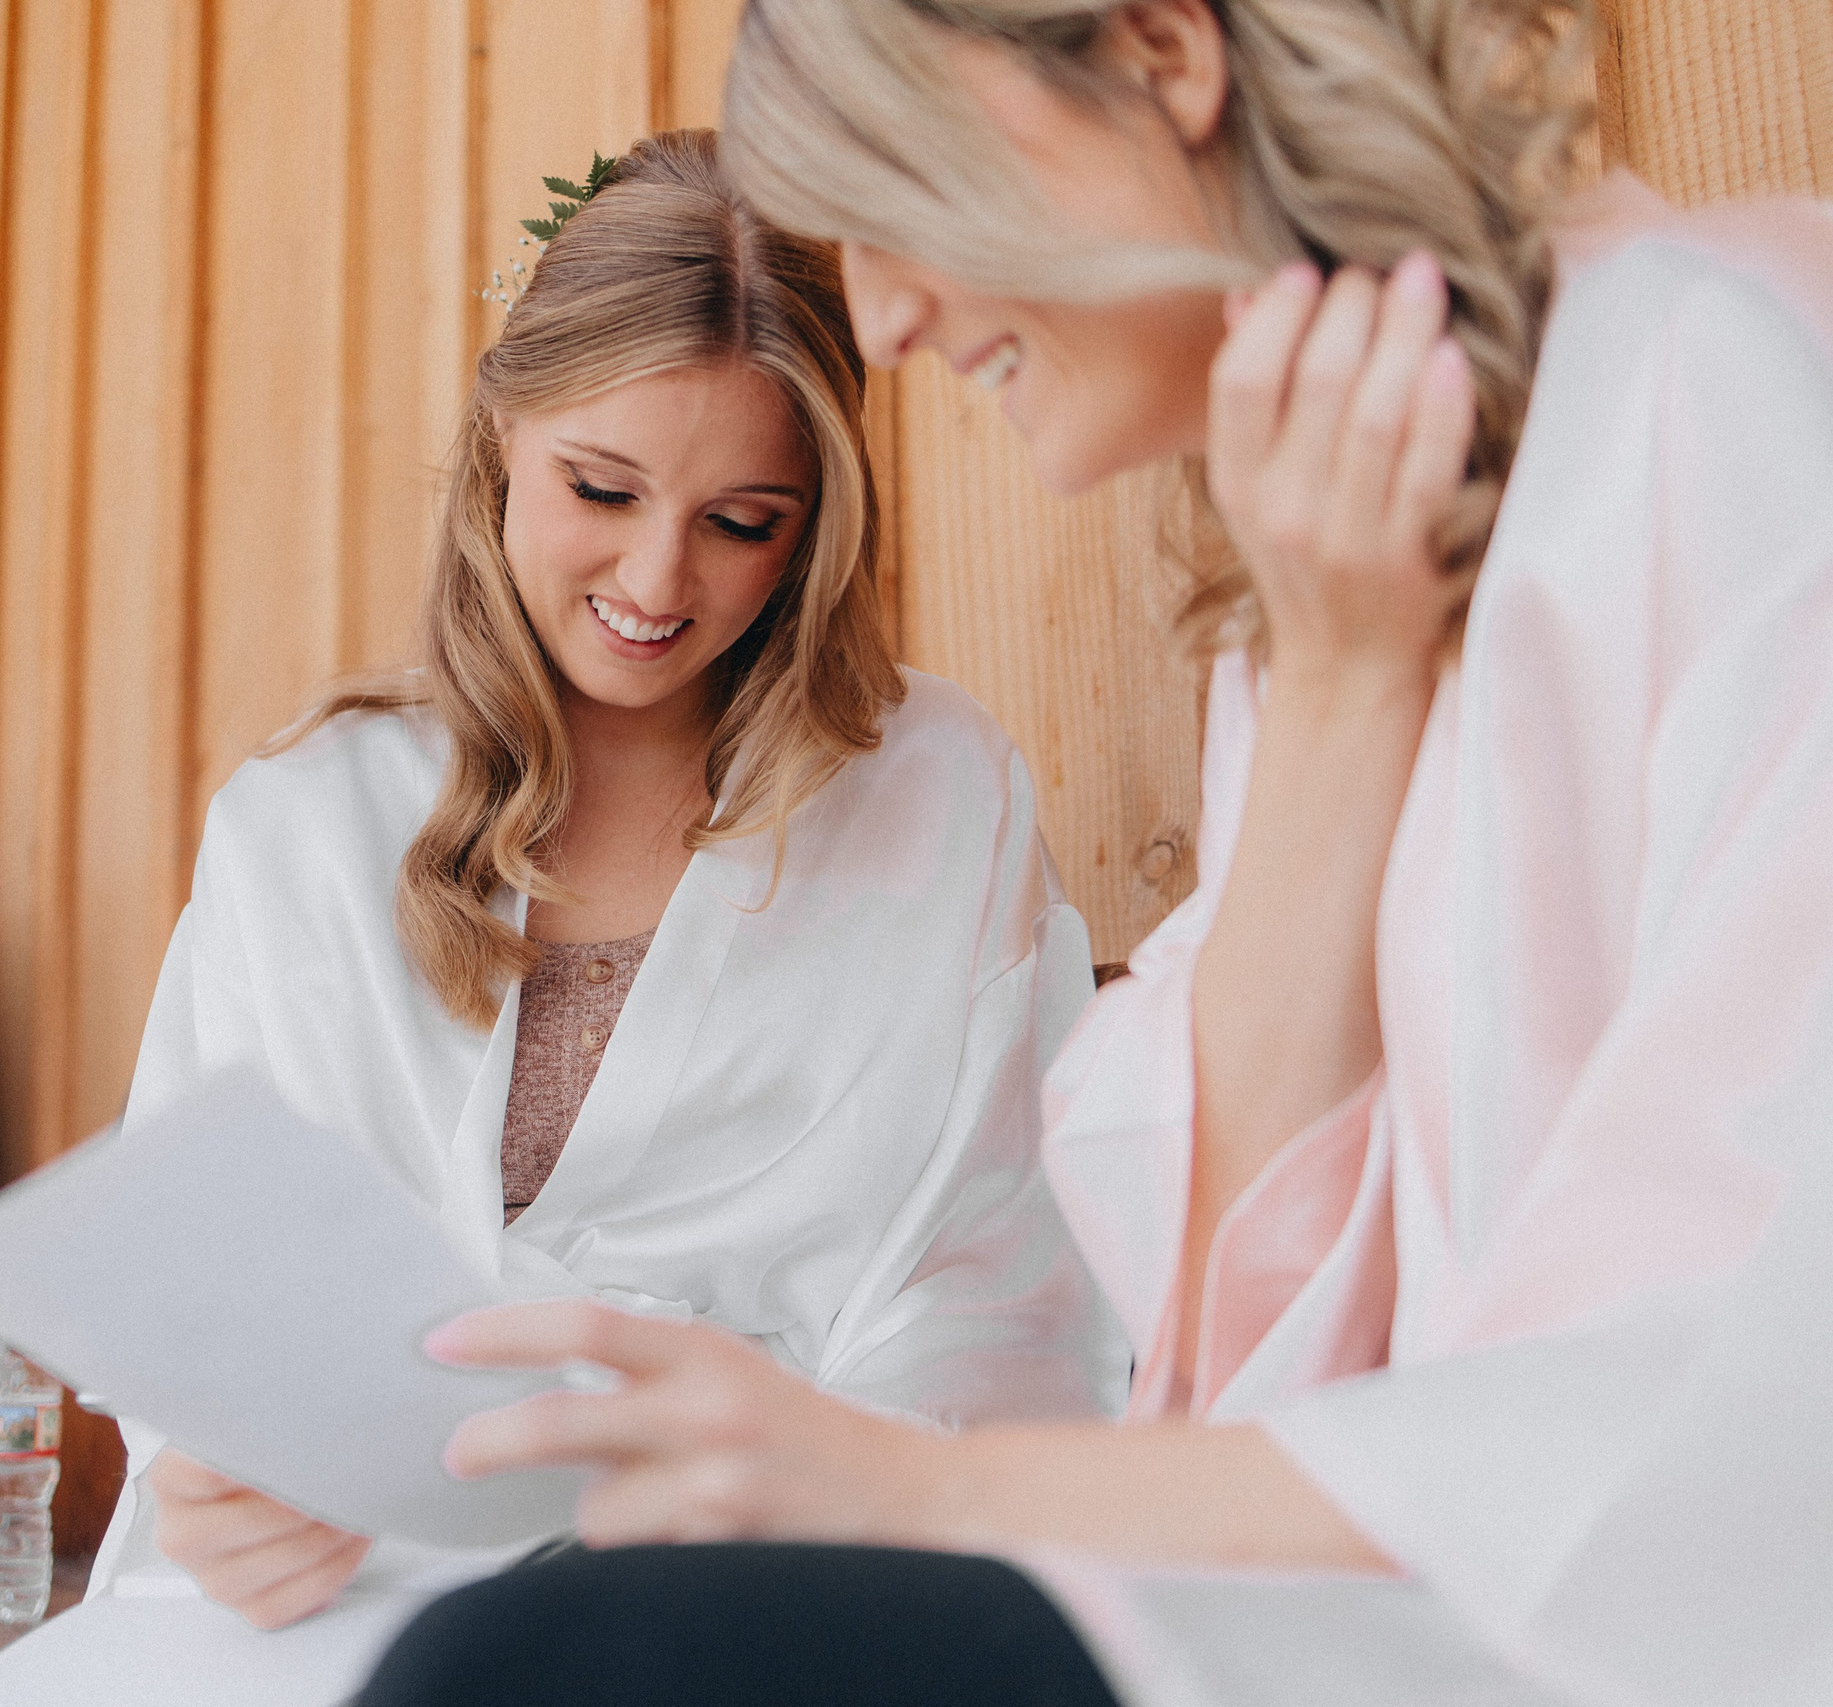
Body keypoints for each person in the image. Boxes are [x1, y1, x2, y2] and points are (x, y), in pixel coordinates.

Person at [356, 3, 1833, 1705]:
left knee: (542, 1675)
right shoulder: (1315, 594)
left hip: (1598, 1637)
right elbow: (1246, 1340)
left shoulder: (1725, 376)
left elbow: (1743, 1404)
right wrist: (1345, 684)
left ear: (1157, 54)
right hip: (1337, 1603)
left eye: (896, 183)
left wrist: (908, 1489)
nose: (890, 315)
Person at [87, 128, 1127, 1633]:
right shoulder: (305, 827)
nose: (655, 584)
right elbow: (203, 1298)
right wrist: (217, 1483)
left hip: (770, 1586)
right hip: (342, 1593)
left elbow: (994, 1291)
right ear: (504, 439)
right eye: (602, 489)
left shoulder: (935, 798)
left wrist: (778, 1500)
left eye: (739, 525)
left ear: (814, 531)